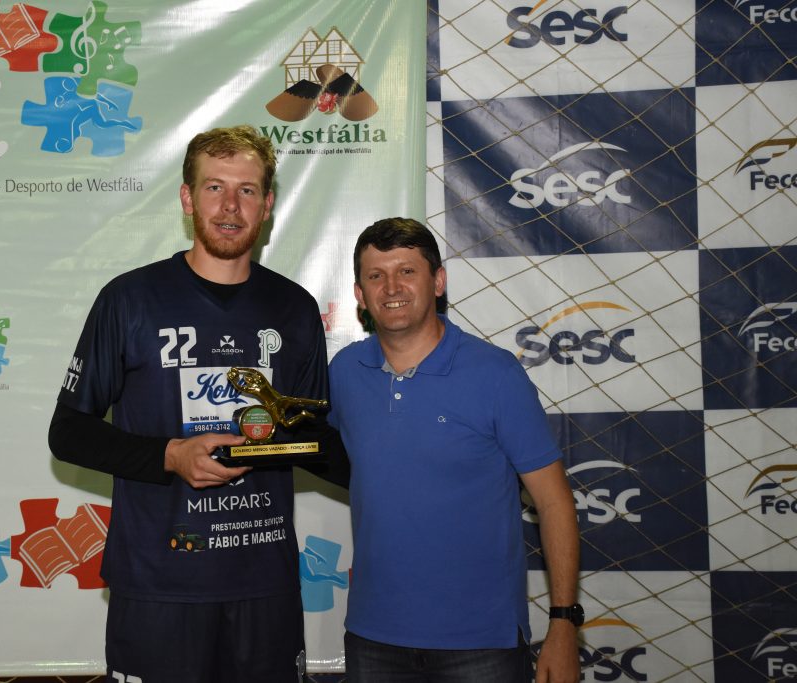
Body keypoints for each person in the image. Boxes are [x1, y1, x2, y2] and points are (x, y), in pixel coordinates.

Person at [48, 125, 328, 683]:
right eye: (214, 187)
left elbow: (318, 440)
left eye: (247, 190)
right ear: (187, 198)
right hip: (159, 584)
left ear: (267, 204)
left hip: (263, 583)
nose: (230, 206)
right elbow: (69, 432)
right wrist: (171, 456)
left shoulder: (295, 308)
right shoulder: (129, 300)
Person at [327, 217, 581, 683]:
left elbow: (554, 502)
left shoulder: (496, 375)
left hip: (481, 642)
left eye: (407, 271)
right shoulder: (344, 372)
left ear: (438, 281)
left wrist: (564, 623)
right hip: (373, 636)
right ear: (360, 295)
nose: (391, 287)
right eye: (376, 276)